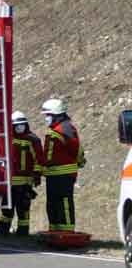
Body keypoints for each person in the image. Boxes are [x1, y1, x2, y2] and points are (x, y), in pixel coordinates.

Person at [41, 98, 85, 232]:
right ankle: (55, 230)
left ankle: (66, 232)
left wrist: (79, 161)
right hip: (53, 174)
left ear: (56, 115)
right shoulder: (58, 129)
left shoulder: (65, 129)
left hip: (64, 175)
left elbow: (76, 149)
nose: (46, 118)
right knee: (53, 203)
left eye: (48, 115)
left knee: (64, 203)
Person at [0, 111, 44, 237]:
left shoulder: (33, 140)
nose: (19, 127)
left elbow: (39, 159)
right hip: (9, 181)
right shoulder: (7, 138)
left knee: (23, 209)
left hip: (25, 181)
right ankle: (2, 231)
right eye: (16, 125)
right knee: (7, 208)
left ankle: (23, 233)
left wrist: (37, 175)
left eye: (22, 124)